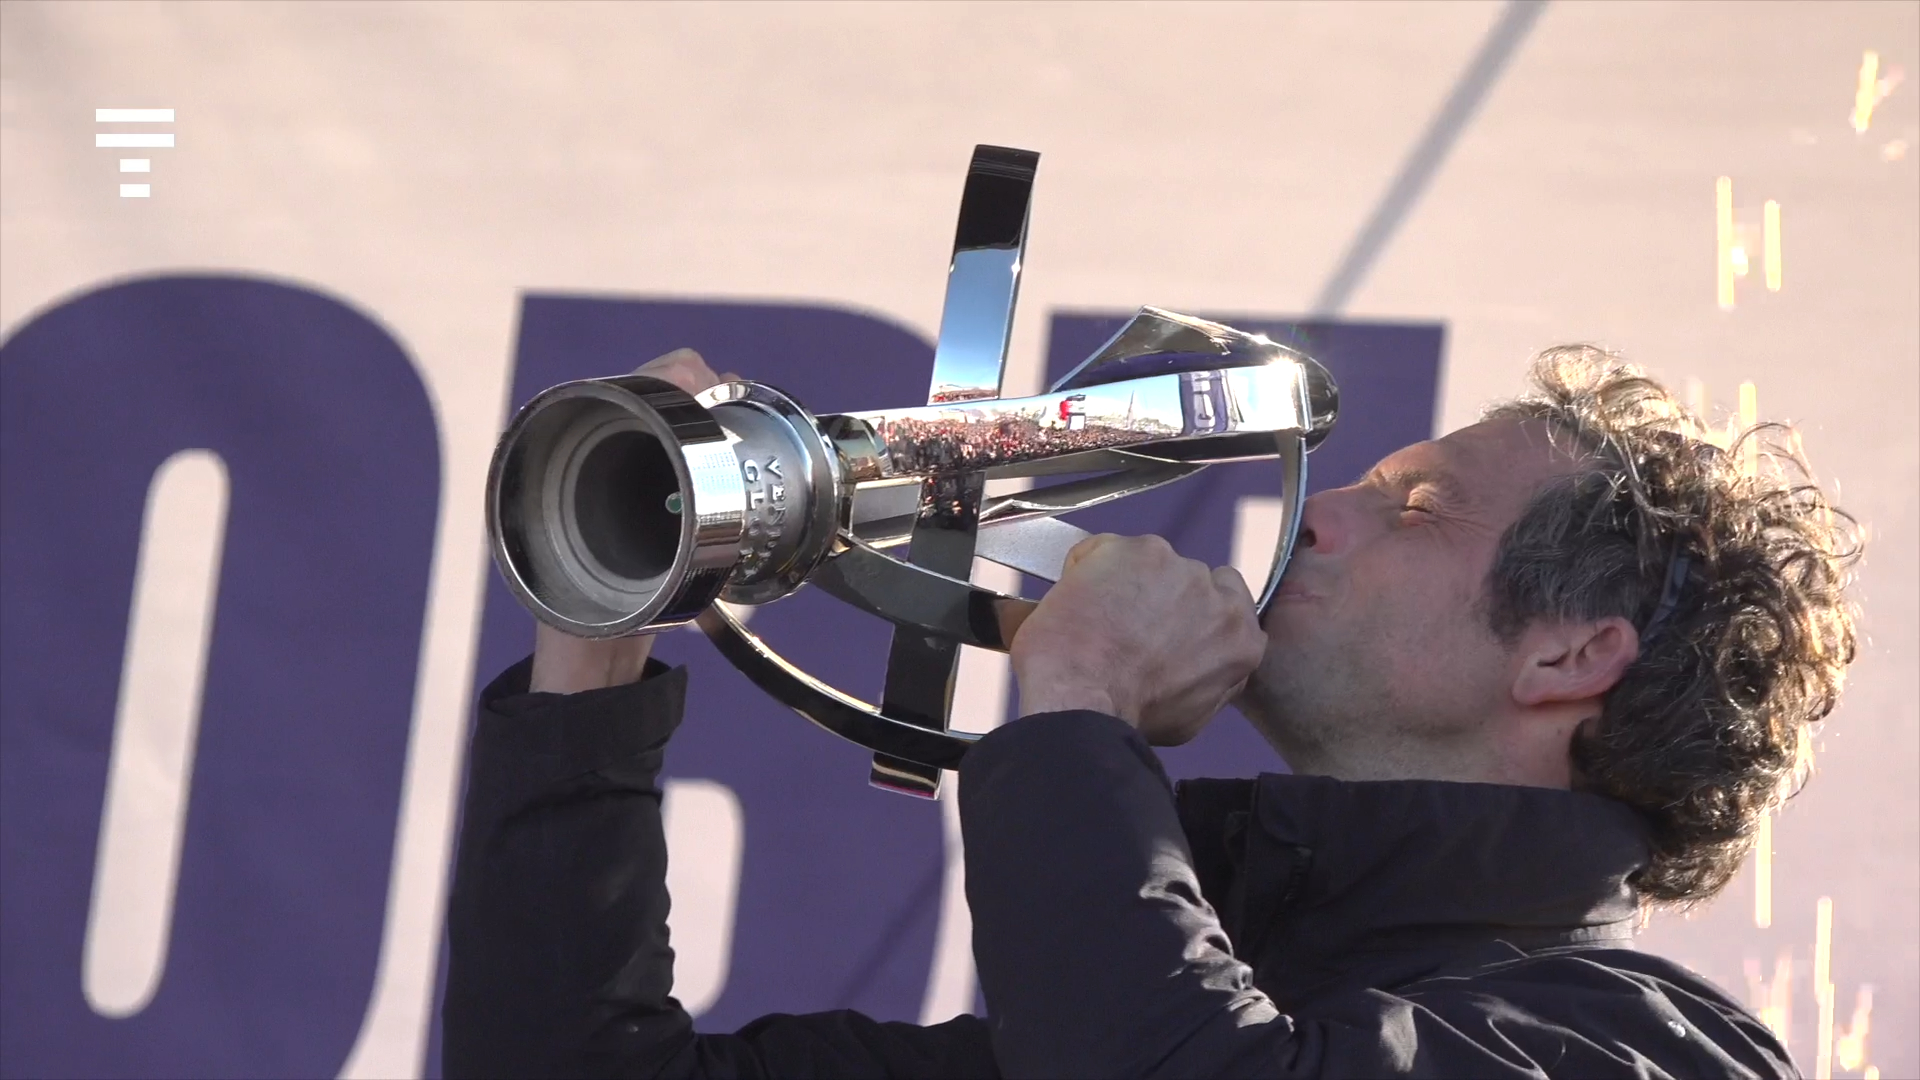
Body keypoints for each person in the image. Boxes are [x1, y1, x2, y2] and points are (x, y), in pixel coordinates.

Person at [443, 344, 1859, 1078]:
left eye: (1414, 508)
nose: (1312, 520)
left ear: (1569, 657)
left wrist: (1078, 708)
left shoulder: (1641, 1049)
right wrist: (593, 658)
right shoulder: (1161, 1010)